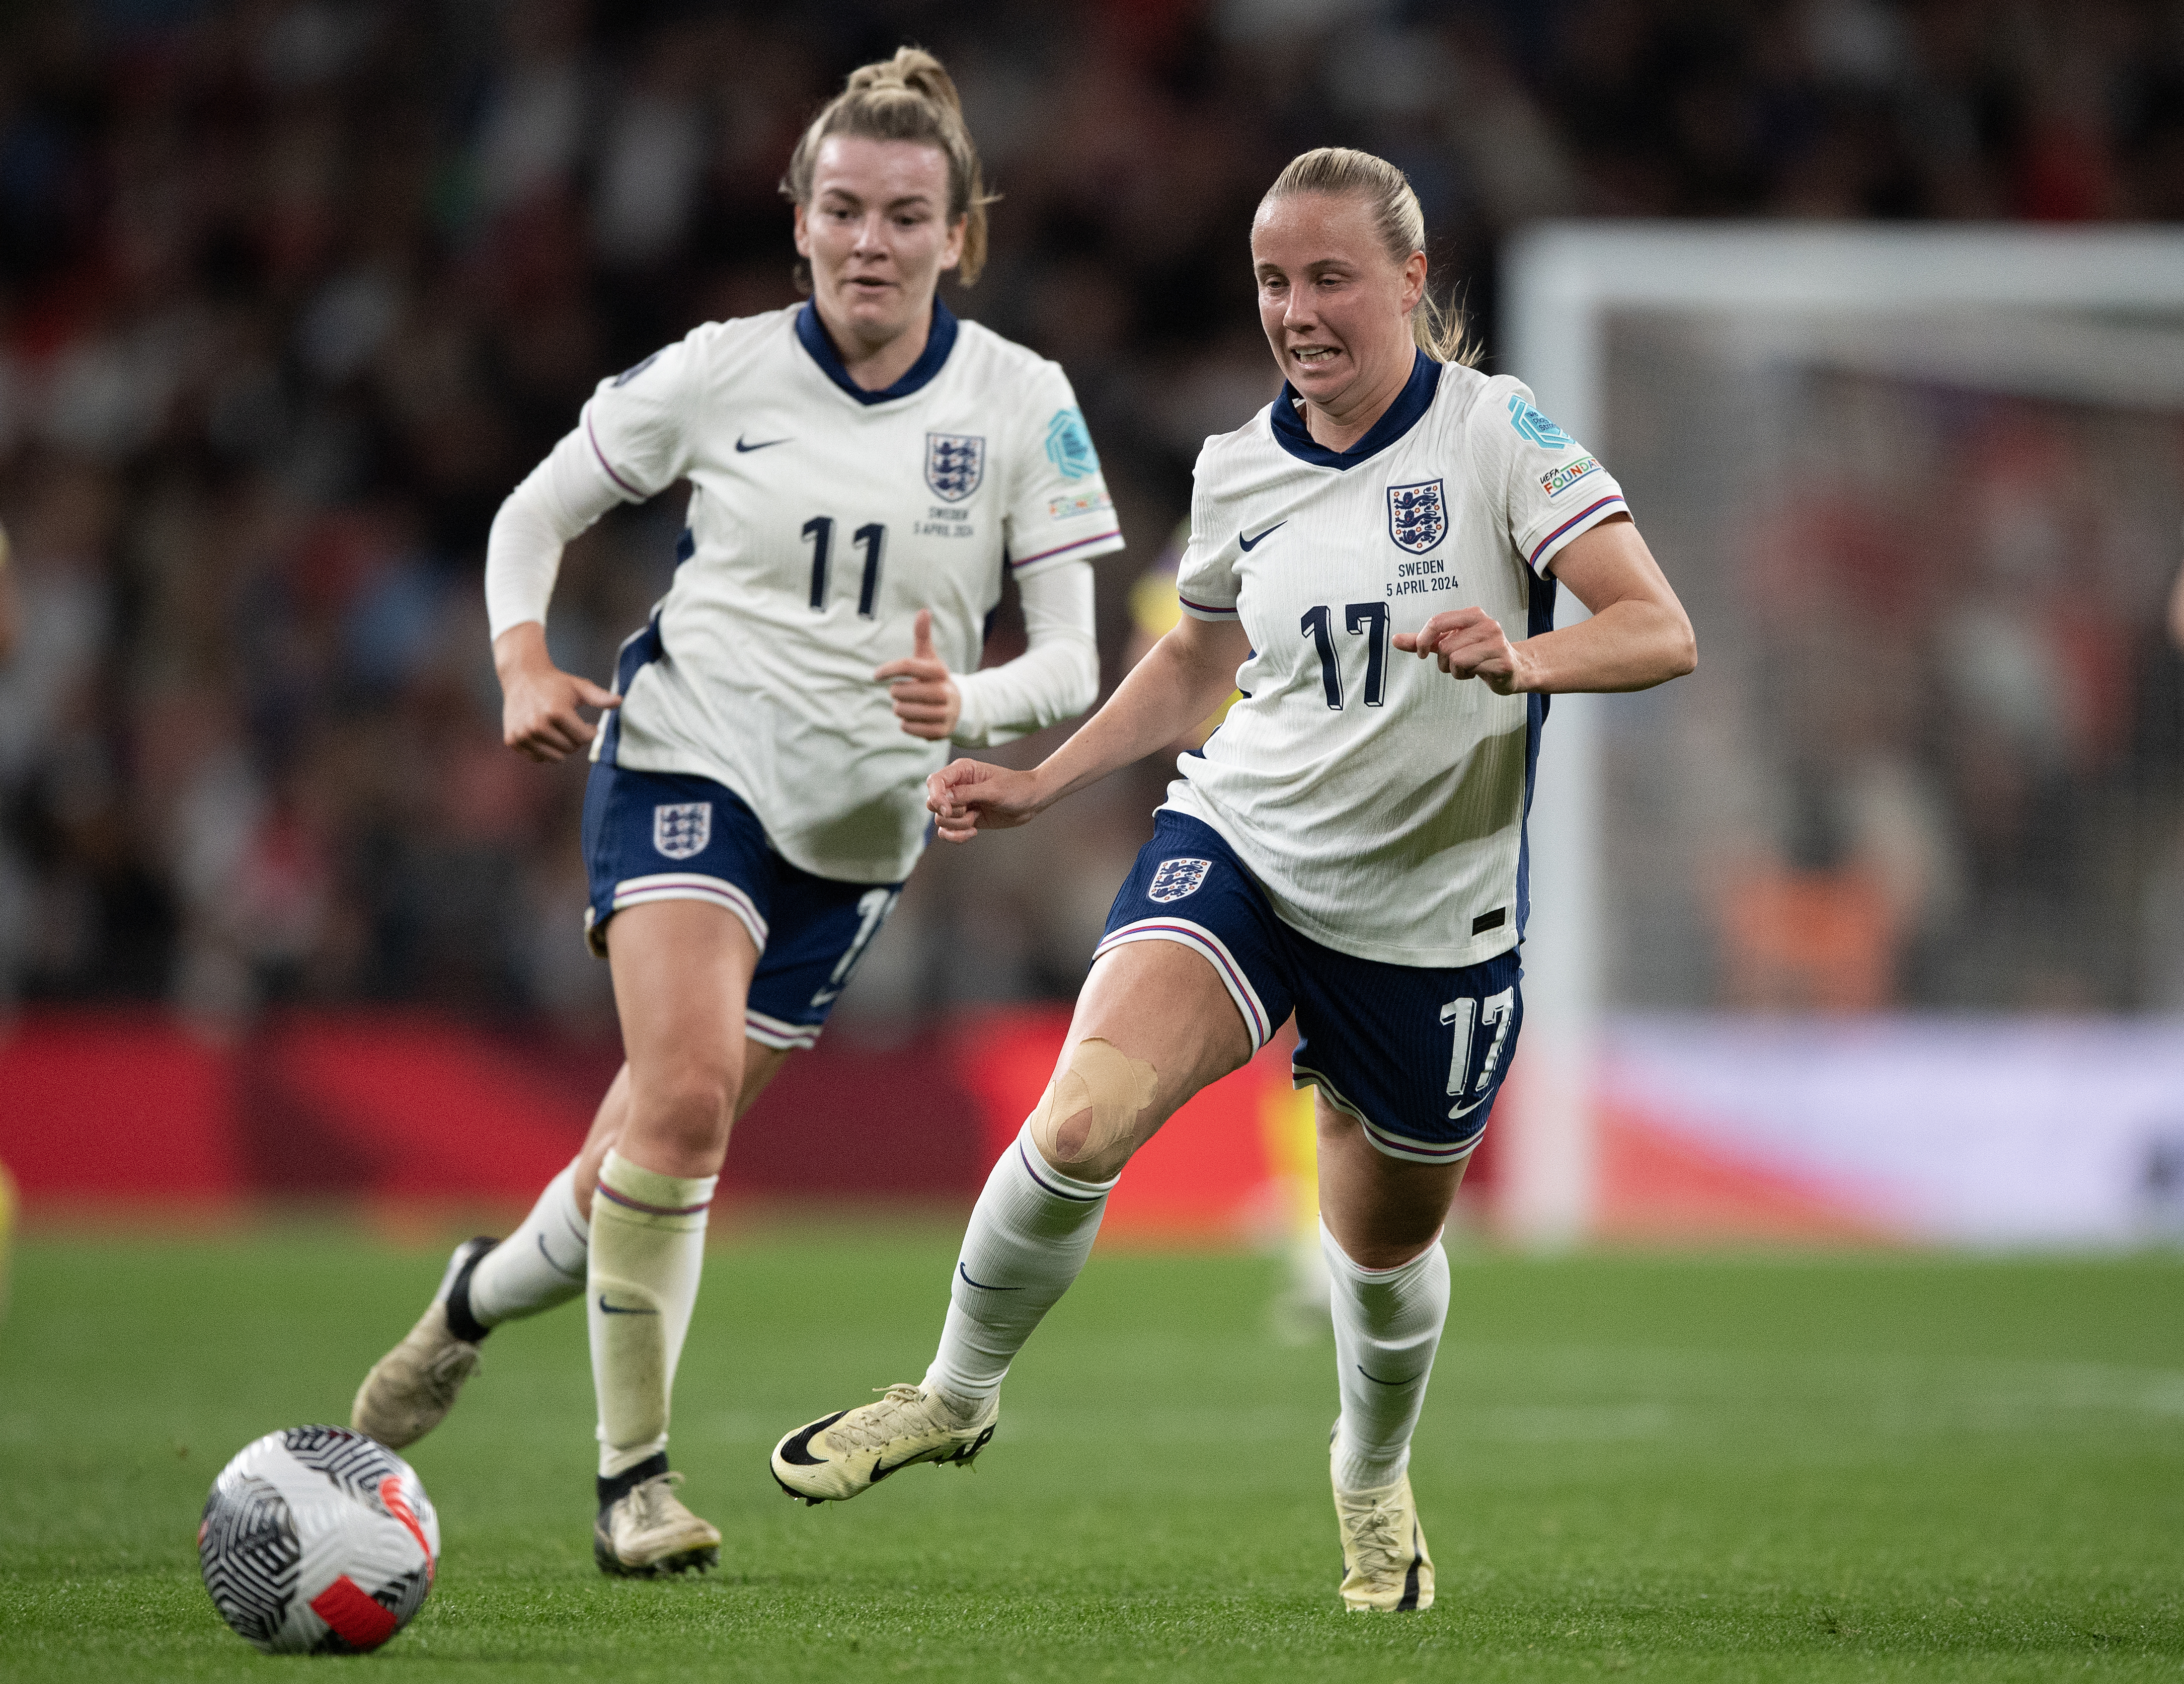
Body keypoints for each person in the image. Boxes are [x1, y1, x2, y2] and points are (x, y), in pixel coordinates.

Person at [767, 146, 1695, 1613]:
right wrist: (1044, 776)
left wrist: (1526, 653)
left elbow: (1656, 628)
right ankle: (955, 1391)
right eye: (1273, 279)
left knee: (1378, 1254)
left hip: (1429, 919)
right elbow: (1201, 657)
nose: (1296, 310)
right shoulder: (1238, 464)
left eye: (1329, 276)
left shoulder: (1498, 435)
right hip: (1244, 847)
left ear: (1407, 276)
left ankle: (1369, 1473)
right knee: (1078, 1117)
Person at [348, 48, 1124, 1578]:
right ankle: (629, 1481)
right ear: (799, 223)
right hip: (687, 758)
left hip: (855, 841)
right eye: (842, 209)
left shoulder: (1025, 404)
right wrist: (519, 660)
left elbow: (1075, 661)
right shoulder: (720, 370)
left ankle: (467, 1303)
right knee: (686, 1098)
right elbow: (535, 510)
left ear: (959, 235)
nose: (871, 242)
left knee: (645, 1147)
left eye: (907, 216)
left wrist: (965, 706)